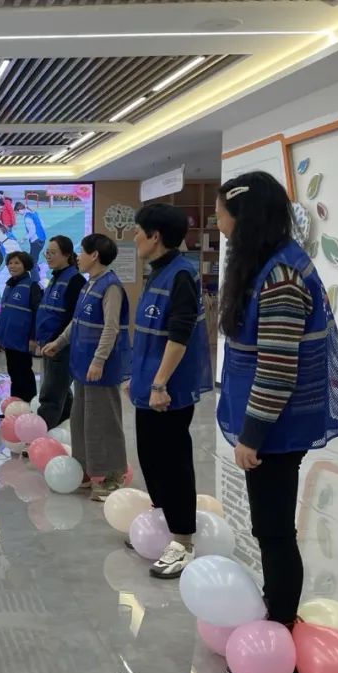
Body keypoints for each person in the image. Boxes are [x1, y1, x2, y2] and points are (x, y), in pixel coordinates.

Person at [215, 172, 338, 660]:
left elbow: (277, 370)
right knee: (269, 527)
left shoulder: (281, 278)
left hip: (277, 428)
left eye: (222, 213)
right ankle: (277, 611)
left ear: (245, 216)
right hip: (272, 426)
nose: (219, 223)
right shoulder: (268, 265)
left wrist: (251, 436)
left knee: (274, 531)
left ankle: (280, 629)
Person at [129, 204, 214, 578]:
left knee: (173, 463)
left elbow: (179, 336)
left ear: (155, 236)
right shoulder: (158, 272)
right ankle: (163, 526)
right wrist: (139, 377)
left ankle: (182, 541)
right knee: (151, 458)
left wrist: (160, 383)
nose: (134, 237)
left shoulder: (180, 275)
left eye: (138, 231)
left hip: (167, 392)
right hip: (149, 386)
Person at [42, 233, 130, 502]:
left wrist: (99, 360)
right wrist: (59, 342)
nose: (78, 257)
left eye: (81, 251)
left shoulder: (111, 287)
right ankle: (87, 470)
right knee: (81, 420)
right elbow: (77, 322)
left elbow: (111, 328)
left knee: (104, 421)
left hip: (100, 369)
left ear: (95, 255)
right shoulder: (89, 284)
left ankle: (112, 476)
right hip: (81, 364)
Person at [34, 236, 85, 428]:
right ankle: (63, 430)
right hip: (49, 344)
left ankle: (41, 437)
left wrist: (57, 341)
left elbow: (73, 317)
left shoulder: (75, 280)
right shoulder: (55, 278)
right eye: (46, 253)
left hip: (61, 346)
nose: (48, 256)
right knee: (61, 390)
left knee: (51, 395)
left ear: (66, 255)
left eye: (53, 253)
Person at [0, 251, 43, 403]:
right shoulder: (9, 286)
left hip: (23, 341)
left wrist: (33, 338)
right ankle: (16, 406)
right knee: (14, 374)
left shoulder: (32, 286)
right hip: (9, 340)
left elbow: (38, 314)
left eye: (17, 263)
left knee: (24, 374)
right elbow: (4, 314)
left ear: (25, 265)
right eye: (10, 263)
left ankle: (28, 406)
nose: (12, 266)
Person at [17, 201, 47, 272]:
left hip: (36, 240)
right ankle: (37, 269)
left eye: (17, 212)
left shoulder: (27, 218)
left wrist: (23, 239)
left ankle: (35, 274)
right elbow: (43, 225)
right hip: (42, 238)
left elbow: (32, 231)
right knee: (33, 257)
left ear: (20, 210)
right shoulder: (34, 213)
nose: (18, 214)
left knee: (32, 260)